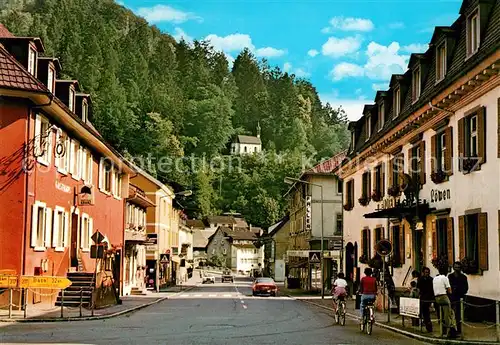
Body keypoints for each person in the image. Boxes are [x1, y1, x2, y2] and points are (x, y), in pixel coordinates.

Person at [433, 266, 457, 338]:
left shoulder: (435, 278)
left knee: (442, 314)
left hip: (436, 298)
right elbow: (449, 290)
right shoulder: (445, 278)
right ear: (446, 272)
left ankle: (443, 330)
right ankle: (451, 330)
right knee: (449, 314)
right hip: (443, 297)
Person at [448, 261, 468, 335]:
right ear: (453, 268)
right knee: (452, 315)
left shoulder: (463, 277)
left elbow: (466, 288)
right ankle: (453, 330)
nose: (457, 269)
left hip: (460, 298)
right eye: (456, 267)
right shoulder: (450, 276)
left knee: (459, 315)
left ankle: (459, 330)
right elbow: (448, 287)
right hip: (452, 298)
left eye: (459, 267)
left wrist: (460, 290)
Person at [417, 266, 435, 332]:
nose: (427, 273)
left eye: (428, 272)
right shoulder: (420, 279)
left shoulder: (431, 279)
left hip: (429, 297)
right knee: (424, 312)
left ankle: (428, 326)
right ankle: (426, 324)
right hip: (423, 297)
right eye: (425, 272)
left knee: (426, 313)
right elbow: (418, 288)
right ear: (423, 273)